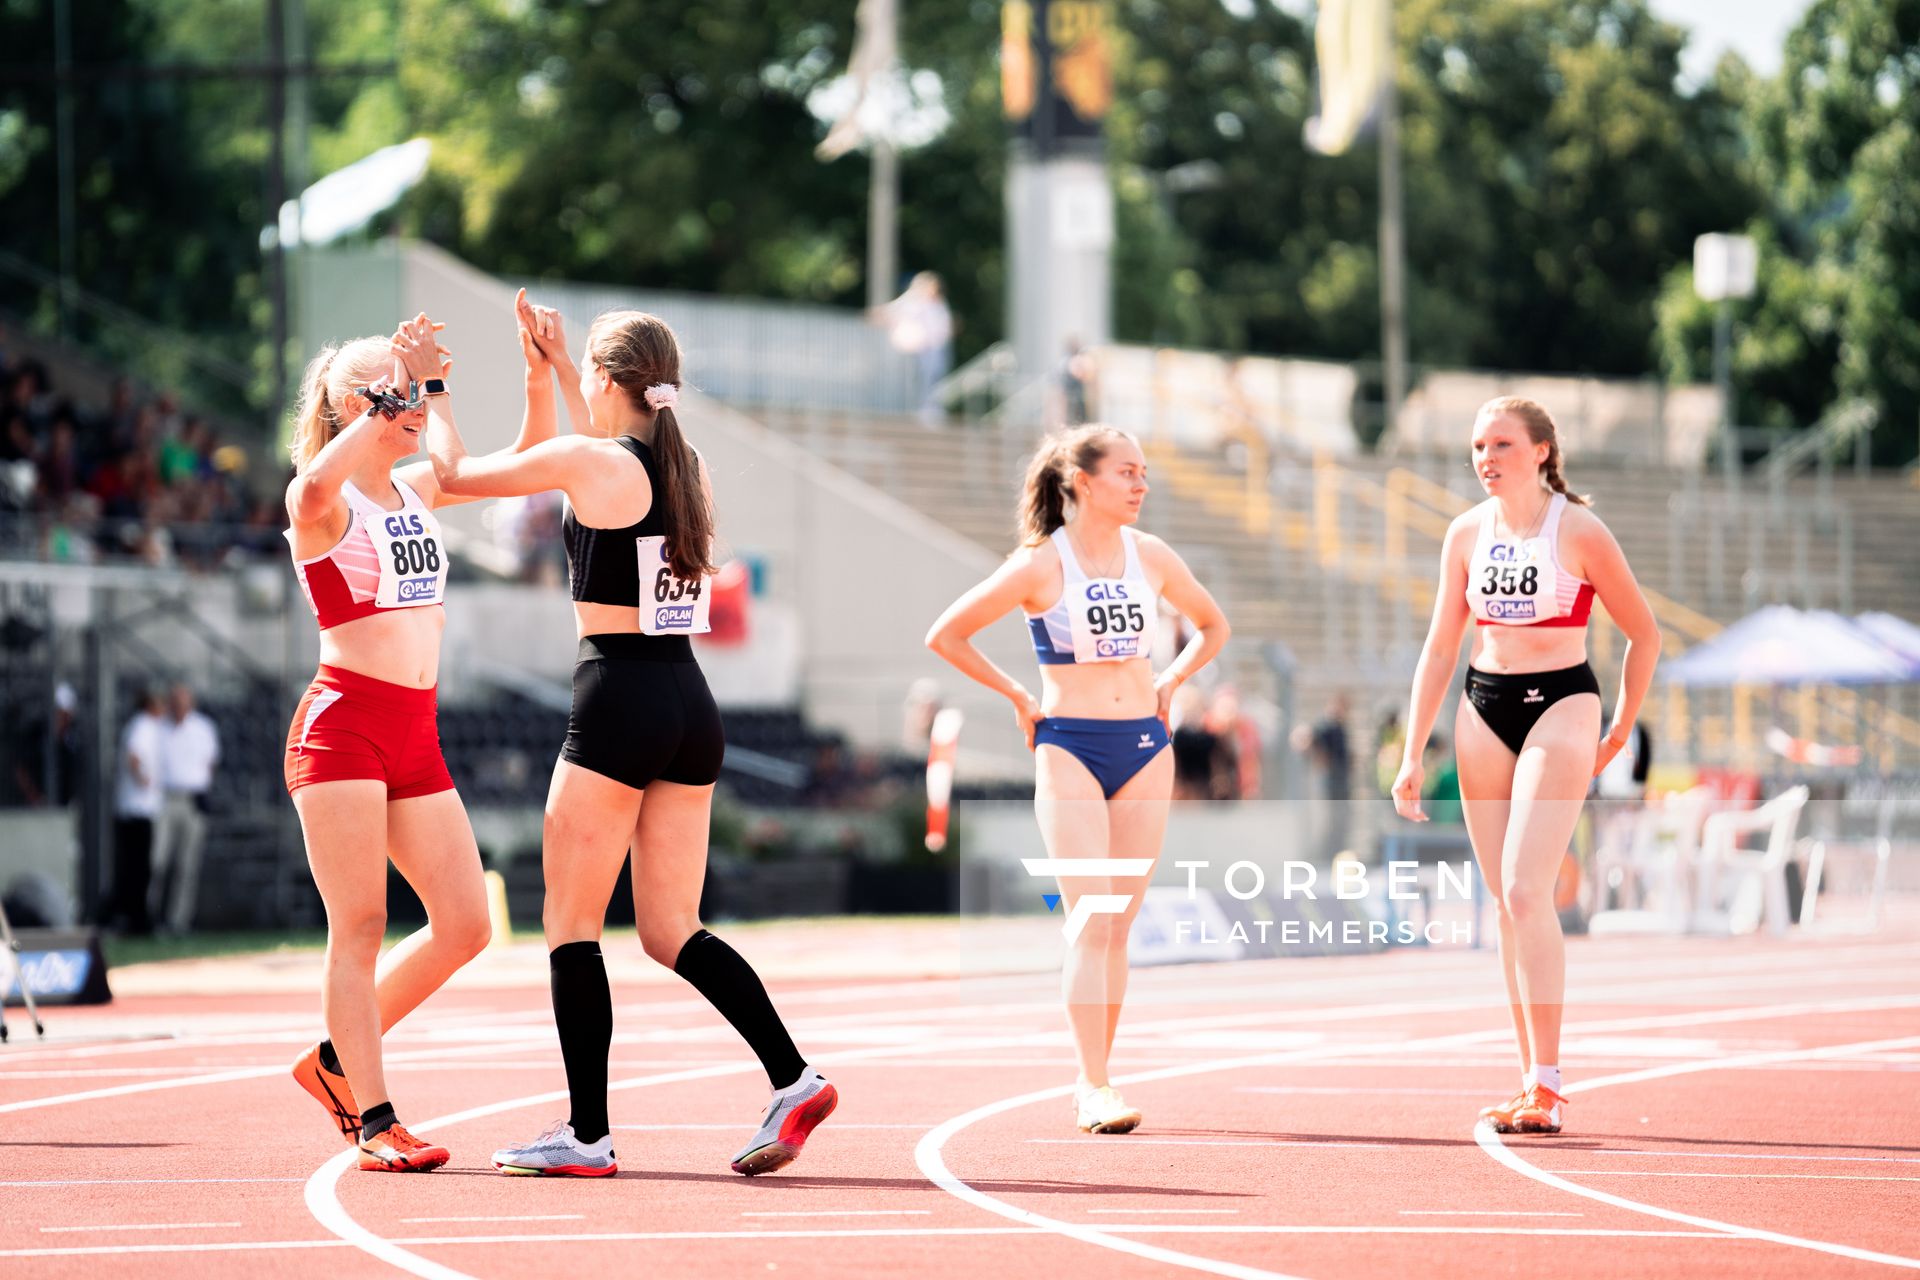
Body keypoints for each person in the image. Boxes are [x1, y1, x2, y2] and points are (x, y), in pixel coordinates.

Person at [424, 301, 834, 1179]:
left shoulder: (595, 461)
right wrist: (557, 370)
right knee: (670, 928)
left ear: (611, 383)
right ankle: (794, 1076)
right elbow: (596, 452)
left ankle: (587, 1134)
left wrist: (432, 391)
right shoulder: (682, 470)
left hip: (615, 693)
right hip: (688, 703)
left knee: (571, 922)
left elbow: (452, 475)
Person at [281, 303, 546, 1173]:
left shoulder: (413, 487)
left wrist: (536, 376)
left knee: (466, 924)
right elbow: (314, 489)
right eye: (394, 396)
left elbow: (515, 470)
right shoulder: (321, 501)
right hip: (345, 729)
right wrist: (388, 394)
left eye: (415, 395)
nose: (413, 407)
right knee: (358, 925)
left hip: (414, 734)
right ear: (355, 407)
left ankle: (332, 1062)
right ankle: (374, 1116)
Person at [926, 424, 1229, 1133]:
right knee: (1091, 917)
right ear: (1082, 481)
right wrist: (1018, 697)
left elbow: (1214, 626)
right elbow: (946, 633)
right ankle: (1094, 1084)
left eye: (1145, 471)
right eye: (1127, 471)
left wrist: (1171, 683)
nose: (1141, 484)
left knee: (1119, 926)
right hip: (1069, 745)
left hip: (1146, 747)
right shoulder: (1041, 564)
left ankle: (1101, 1072)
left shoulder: (1149, 556)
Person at [1391, 396, 1660, 1136]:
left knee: (1523, 887)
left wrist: (1623, 725)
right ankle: (1526, 1079)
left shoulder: (1577, 530)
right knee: (1505, 906)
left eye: (1502, 444)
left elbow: (1645, 634)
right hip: (1484, 705)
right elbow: (1441, 646)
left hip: (1563, 704)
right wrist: (1414, 751)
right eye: (1478, 446)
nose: (1486, 458)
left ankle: (1548, 1081)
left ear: (1542, 451)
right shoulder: (1464, 534)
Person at [151, 682, 219, 933]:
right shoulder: (160, 728)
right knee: (158, 862)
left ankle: (177, 922)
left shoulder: (203, 728)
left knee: (186, 866)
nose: (180, 708)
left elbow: (210, 763)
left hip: (193, 800)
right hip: (166, 799)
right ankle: (151, 917)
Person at [108, 688, 166, 933]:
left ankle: (136, 917)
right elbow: (133, 756)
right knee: (137, 868)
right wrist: (143, 779)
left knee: (137, 867)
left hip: (141, 808)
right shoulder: (142, 725)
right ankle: (135, 920)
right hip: (137, 809)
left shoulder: (146, 726)